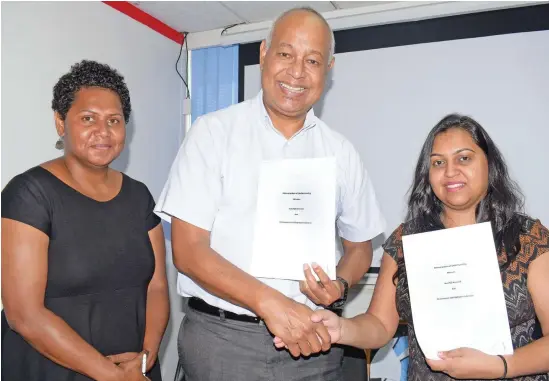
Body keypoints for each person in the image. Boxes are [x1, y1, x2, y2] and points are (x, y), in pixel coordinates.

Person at [154, 6, 385, 381]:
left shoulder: (341, 153)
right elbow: (188, 250)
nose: (297, 71)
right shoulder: (212, 134)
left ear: (328, 70)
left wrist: (340, 284)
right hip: (223, 340)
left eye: (312, 60)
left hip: (313, 343)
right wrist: (270, 303)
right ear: (263, 54)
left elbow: (359, 249)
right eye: (285, 53)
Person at [274, 113, 549, 380]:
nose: (450, 171)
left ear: (489, 164)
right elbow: (380, 325)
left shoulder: (527, 238)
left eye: (464, 158)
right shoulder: (406, 240)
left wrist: (500, 366)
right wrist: (341, 329)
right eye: (438, 163)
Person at [1, 60, 169, 381]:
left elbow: (157, 287)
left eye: (114, 120)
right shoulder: (29, 194)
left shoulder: (139, 197)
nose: (103, 132)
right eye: (88, 118)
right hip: (52, 369)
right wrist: (112, 375)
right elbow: (24, 315)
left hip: (136, 369)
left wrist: (146, 357)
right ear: (61, 123)